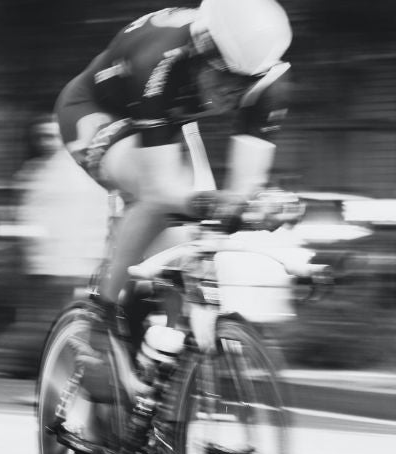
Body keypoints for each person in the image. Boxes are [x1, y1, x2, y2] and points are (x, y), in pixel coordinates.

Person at [55, 0, 292, 340]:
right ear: (201, 48)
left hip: (168, 118)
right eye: (224, 76)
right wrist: (206, 203)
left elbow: (242, 190)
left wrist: (252, 206)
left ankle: (171, 341)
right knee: (159, 198)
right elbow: (160, 188)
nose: (230, 93)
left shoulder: (270, 82)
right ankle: (103, 308)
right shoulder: (160, 59)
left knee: (194, 232)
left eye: (244, 85)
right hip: (95, 110)